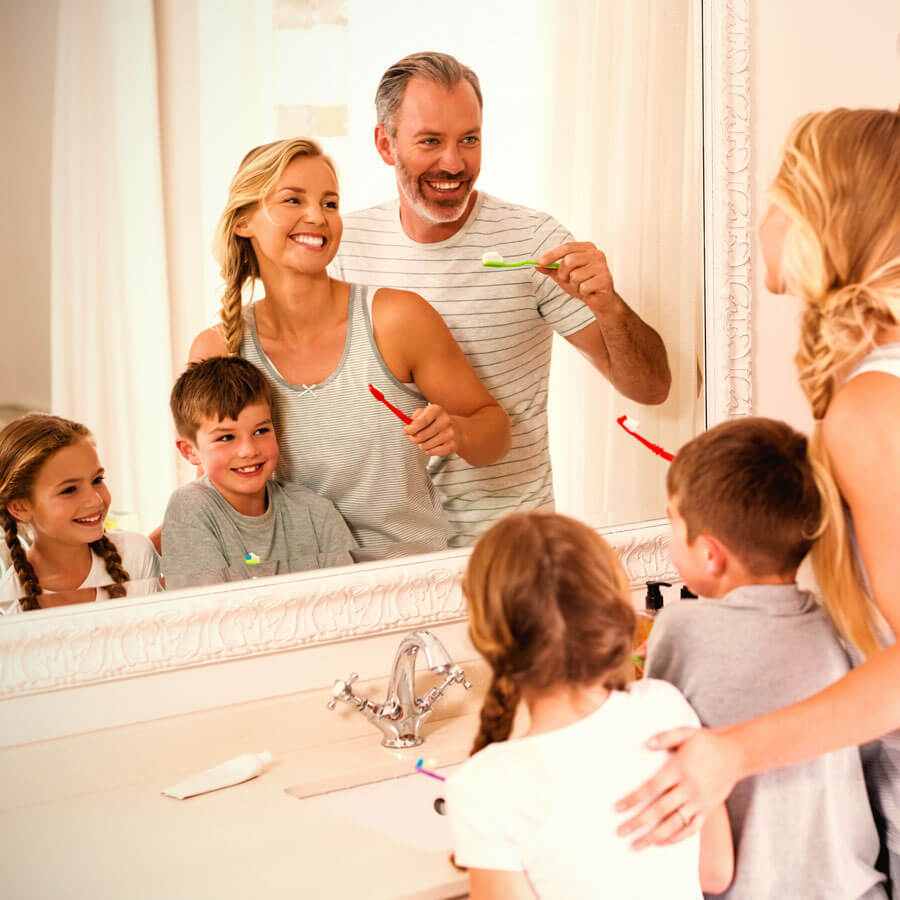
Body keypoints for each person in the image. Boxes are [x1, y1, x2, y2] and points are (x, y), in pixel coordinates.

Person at [614, 107, 900, 870]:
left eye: (778, 203)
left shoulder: (872, 406)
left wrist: (730, 753)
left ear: (821, 222)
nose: (761, 226)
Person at [332, 51, 672, 545]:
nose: (454, 162)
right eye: (431, 141)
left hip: (513, 546)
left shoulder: (533, 242)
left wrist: (609, 305)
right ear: (386, 144)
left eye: (469, 139)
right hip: (386, 551)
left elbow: (651, 388)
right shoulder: (344, 248)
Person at [189, 137, 510, 560]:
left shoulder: (395, 319)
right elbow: (214, 496)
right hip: (289, 596)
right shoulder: (218, 351)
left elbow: (496, 435)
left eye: (330, 203)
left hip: (410, 583)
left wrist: (458, 431)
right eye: (292, 200)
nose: (316, 217)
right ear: (243, 221)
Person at [646, 416, 886, 899]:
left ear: (711, 555)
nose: (670, 539)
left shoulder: (678, 628)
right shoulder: (842, 630)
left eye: (673, 521)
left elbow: (653, 743)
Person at [445, 511, 733, 899]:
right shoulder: (664, 707)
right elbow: (715, 873)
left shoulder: (483, 785)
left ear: (489, 637)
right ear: (611, 613)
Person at [162, 356, 357, 589]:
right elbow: (208, 613)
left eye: (261, 430)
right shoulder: (190, 506)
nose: (248, 450)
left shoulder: (316, 512)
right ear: (189, 451)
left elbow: (352, 601)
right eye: (226, 437)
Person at [0, 414, 161, 613]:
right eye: (69, 490)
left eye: (97, 479)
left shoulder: (136, 555)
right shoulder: (8, 604)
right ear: (20, 507)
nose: (96, 500)